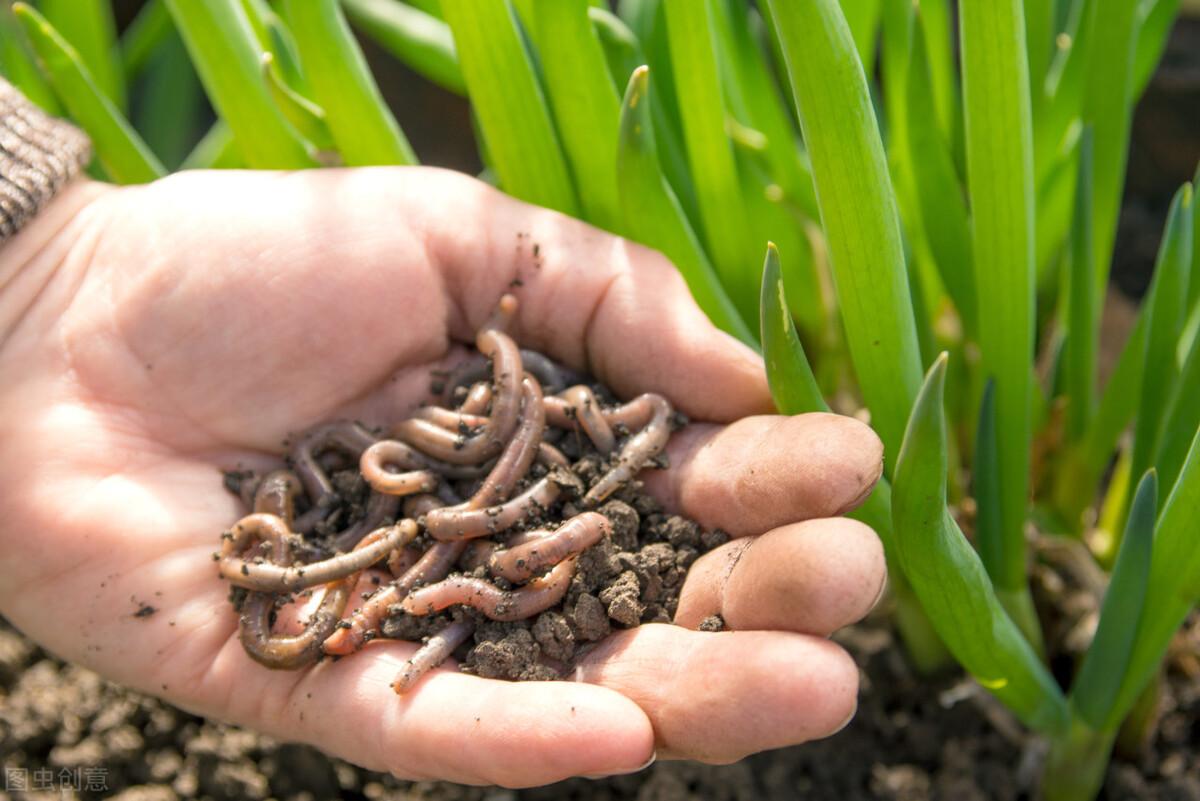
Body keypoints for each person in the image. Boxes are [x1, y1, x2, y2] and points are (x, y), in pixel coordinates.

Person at [0, 79, 886, 787]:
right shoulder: (392, 489)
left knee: (468, 520)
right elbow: (426, 512)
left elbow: (483, 515)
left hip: (488, 496)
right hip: (437, 515)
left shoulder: (505, 457)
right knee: (403, 535)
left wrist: (38, 272)